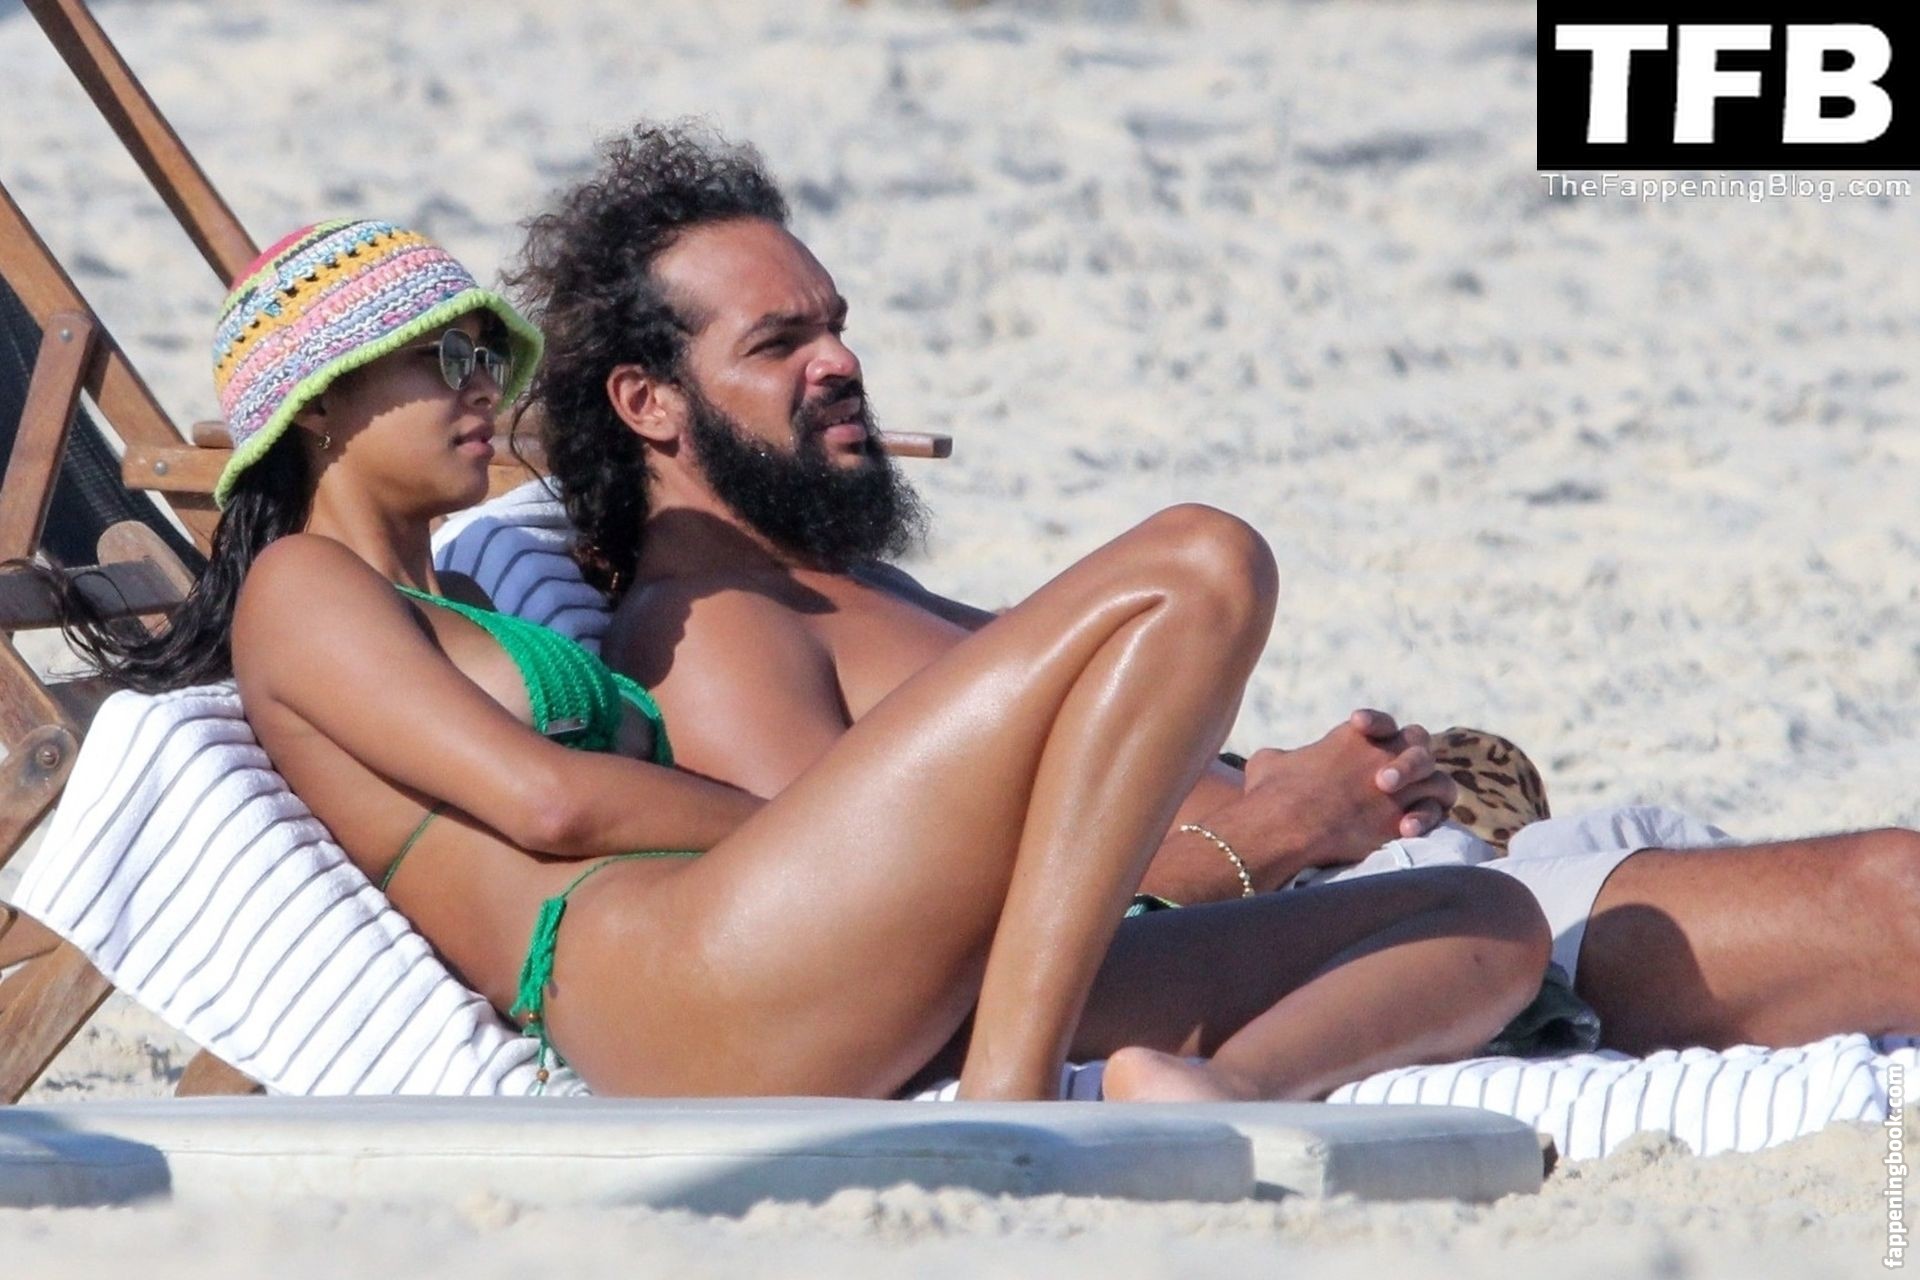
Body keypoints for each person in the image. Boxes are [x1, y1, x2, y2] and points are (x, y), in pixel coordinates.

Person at [45, 217, 1548, 1102]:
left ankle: (1212, 1095)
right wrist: (842, 839)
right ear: (317, 408)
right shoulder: (298, 588)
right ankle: (1011, 1098)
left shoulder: (454, 589)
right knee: (1200, 561)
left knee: (1482, 919)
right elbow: (548, 803)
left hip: (775, 960)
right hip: (673, 986)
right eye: (436, 358)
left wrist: (879, 859)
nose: (476, 386)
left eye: (483, 356)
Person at [517, 121, 1920, 1059]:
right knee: (1892, 897)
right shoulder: (723, 640)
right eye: (780, 344)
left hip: (1386, 902)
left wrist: (1323, 793)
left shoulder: (829, 586)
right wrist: (1283, 830)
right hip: (1366, 953)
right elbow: (885, 951)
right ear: (647, 403)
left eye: (836, 325)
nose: (841, 362)